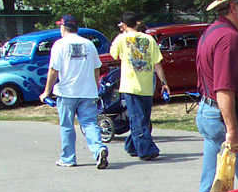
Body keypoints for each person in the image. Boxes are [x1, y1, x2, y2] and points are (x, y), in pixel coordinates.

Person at [194, 0, 238, 192]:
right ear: (233, 8)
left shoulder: (212, 31)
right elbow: (224, 87)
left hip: (208, 110)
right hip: (222, 116)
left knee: (214, 178)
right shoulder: (229, 38)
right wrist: (231, 130)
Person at [39, 15, 108, 169]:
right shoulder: (89, 44)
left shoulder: (59, 45)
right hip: (87, 91)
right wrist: (95, 88)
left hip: (67, 91)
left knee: (67, 126)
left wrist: (46, 92)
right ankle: (99, 149)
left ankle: (68, 158)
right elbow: (96, 69)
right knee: (90, 123)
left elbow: (53, 70)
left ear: (63, 27)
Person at [109, 11, 169, 161]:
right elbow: (157, 63)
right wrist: (163, 82)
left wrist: (163, 83)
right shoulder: (148, 39)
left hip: (139, 85)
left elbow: (113, 54)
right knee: (139, 119)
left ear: (123, 25)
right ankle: (146, 150)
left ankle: (132, 145)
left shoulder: (122, 38)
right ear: (137, 22)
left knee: (142, 119)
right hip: (135, 86)